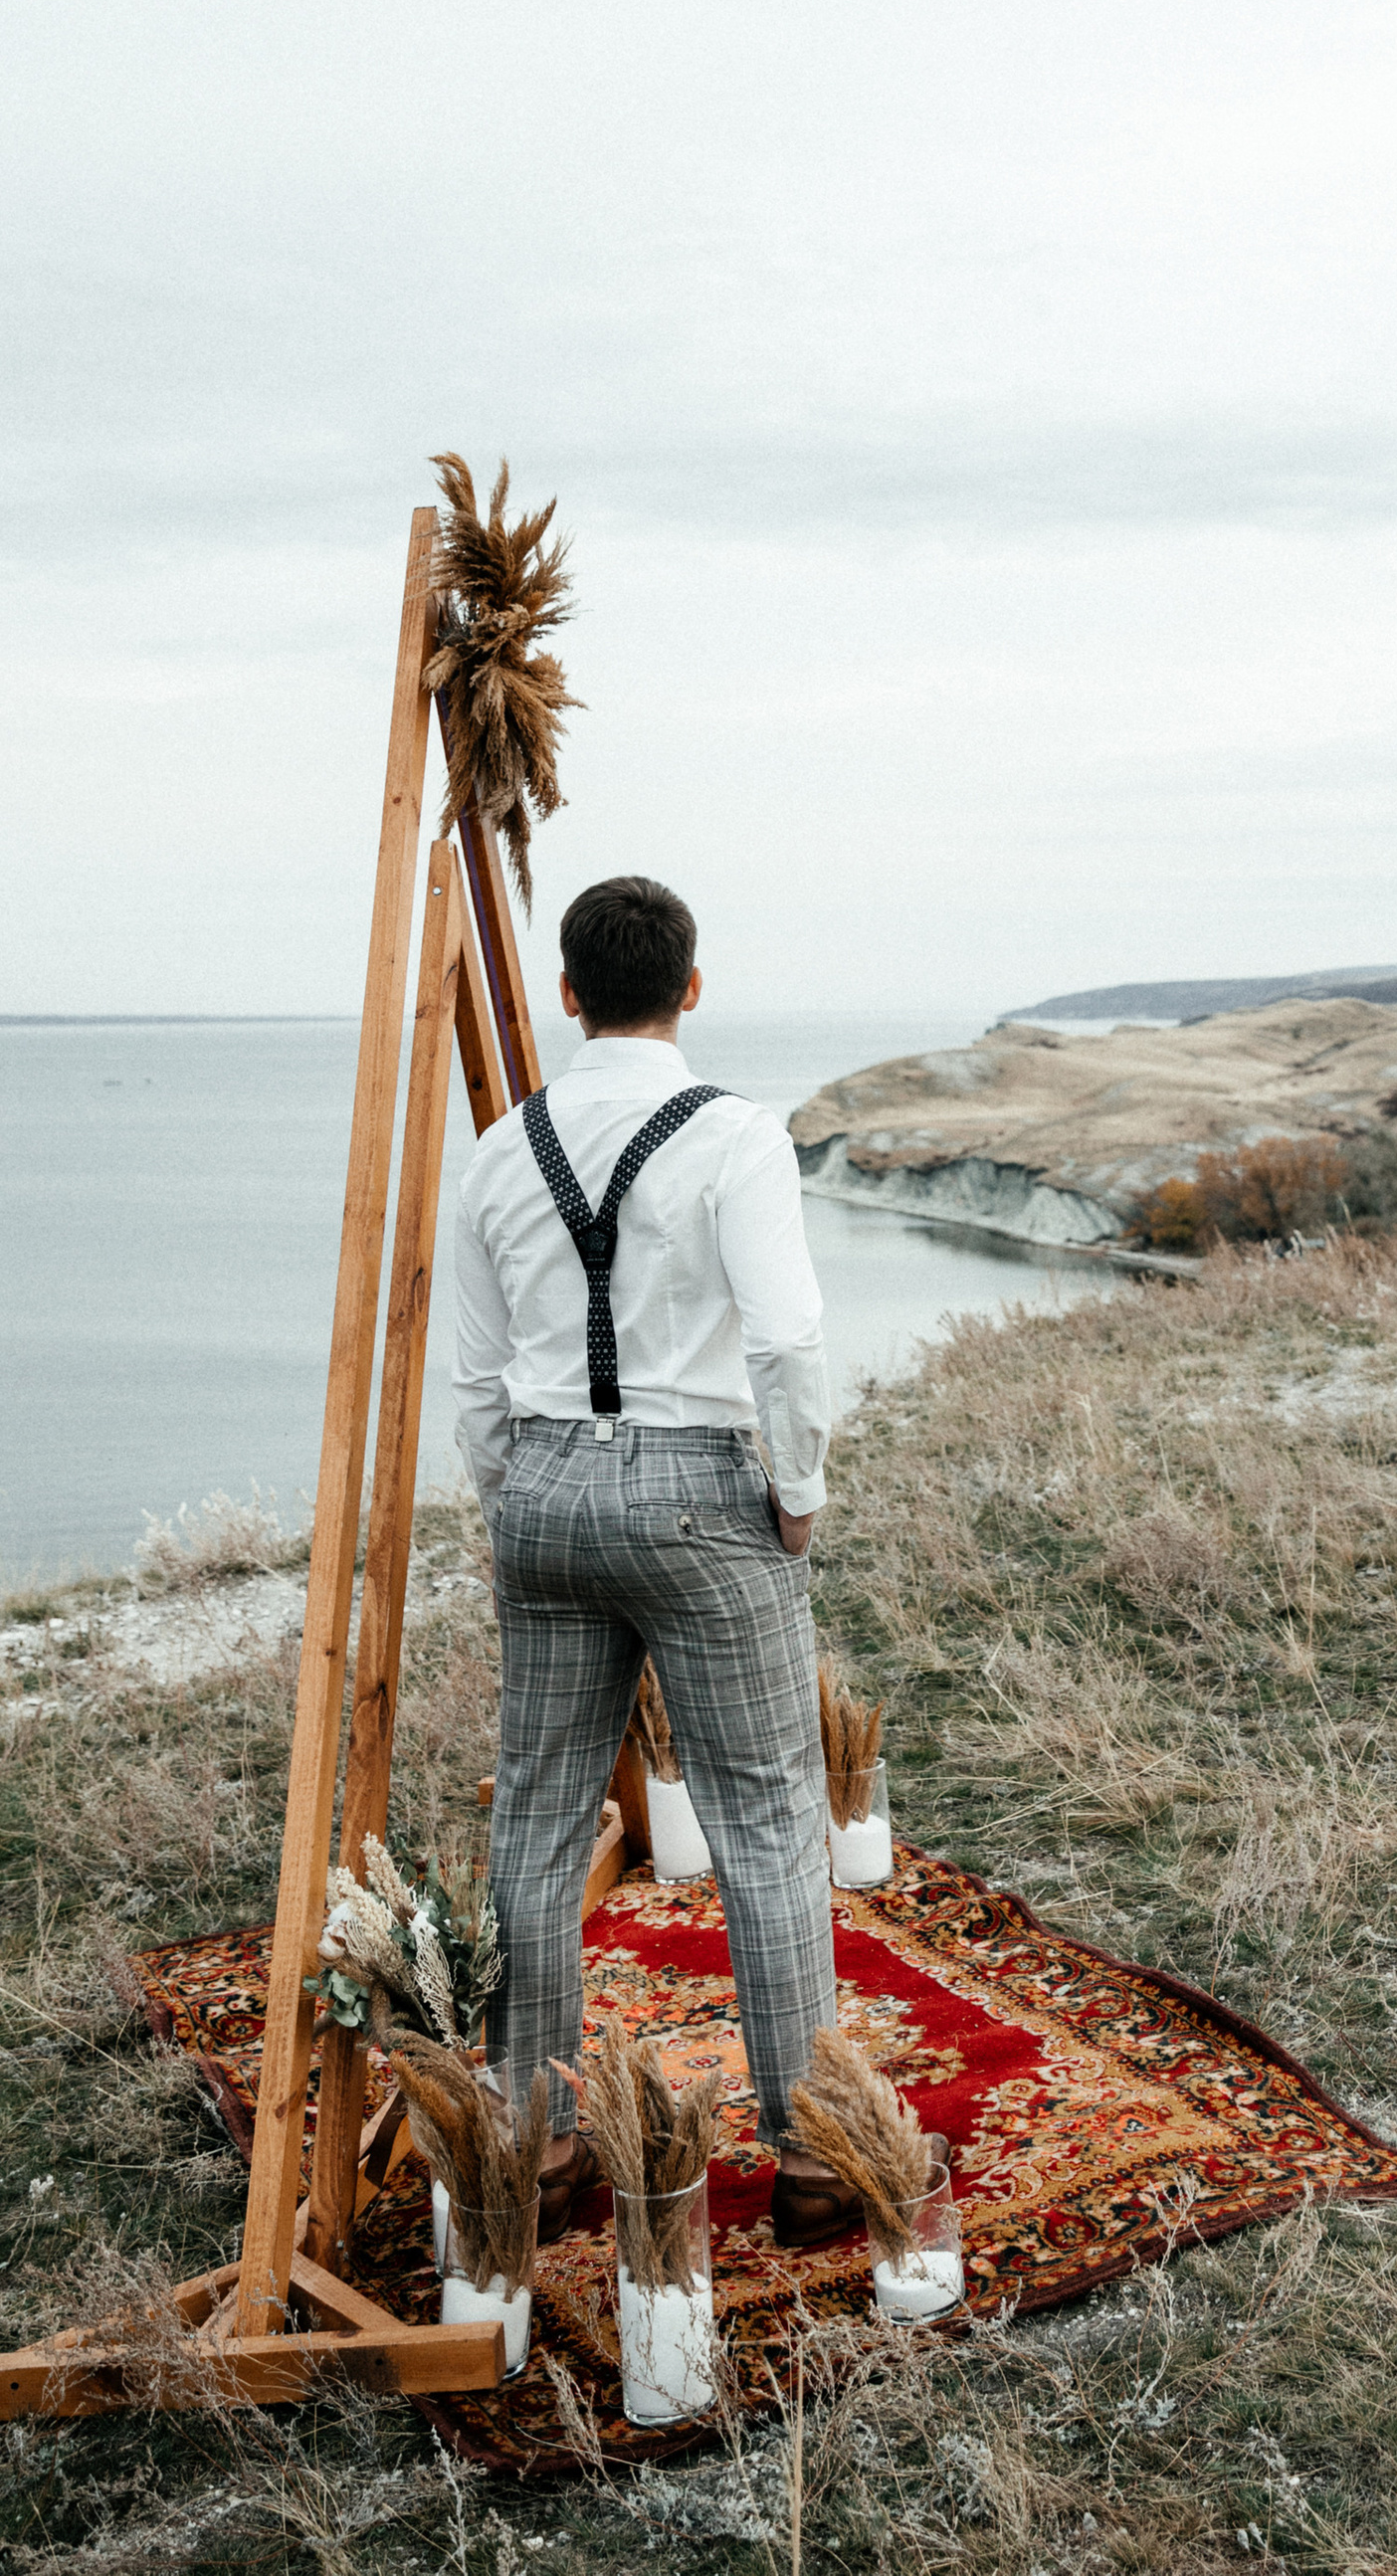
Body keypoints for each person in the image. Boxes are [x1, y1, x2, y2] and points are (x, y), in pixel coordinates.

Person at [452, 871, 856, 2244]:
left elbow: (474, 1384)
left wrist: (528, 1499)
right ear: (691, 988)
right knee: (767, 1820)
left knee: (537, 1822)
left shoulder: (499, 1149)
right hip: (702, 1499)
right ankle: (810, 2157)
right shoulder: (738, 1136)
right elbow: (788, 1340)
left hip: (545, 1490)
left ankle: (534, 2144)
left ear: (569, 993)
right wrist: (794, 1494)